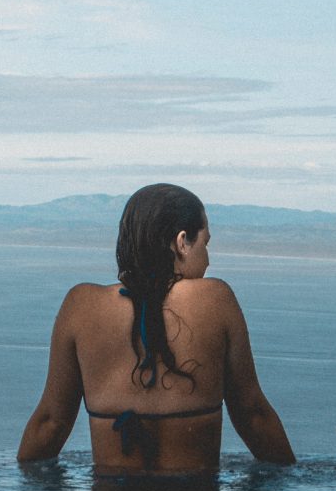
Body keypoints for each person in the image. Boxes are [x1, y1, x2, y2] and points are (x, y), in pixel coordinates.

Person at [18, 183, 295, 474]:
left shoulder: (81, 306)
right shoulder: (215, 299)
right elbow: (253, 416)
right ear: (182, 241)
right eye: (206, 244)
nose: (209, 259)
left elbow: (50, 423)